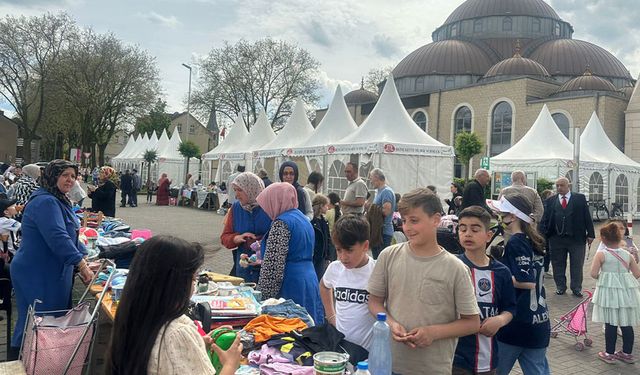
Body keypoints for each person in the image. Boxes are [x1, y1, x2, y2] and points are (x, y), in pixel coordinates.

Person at [367, 188, 480, 375]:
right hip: (389, 363)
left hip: (433, 368)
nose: (407, 227)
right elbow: (374, 301)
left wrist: (433, 333)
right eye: (404, 221)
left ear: (436, 219)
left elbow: (472, 323)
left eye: (414, 220)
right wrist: (390, 323)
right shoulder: (389, 256)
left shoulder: (456, 268)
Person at [106, 236, 243, 374]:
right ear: (175, 285)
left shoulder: (133, 316)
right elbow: (172, 342)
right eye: (193, 278)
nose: (194, 284)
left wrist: (198, 344)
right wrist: (230, 364)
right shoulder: (177, 332)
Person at [10, 160, 94, 358]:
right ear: (52, 175)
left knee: (50, 323)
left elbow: (70, 235)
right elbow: (57, 237)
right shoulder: (45, 201)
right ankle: (18, 361)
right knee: (35, 321)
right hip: (37, 271)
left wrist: (84, 257)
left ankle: (44, 361)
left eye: (73, 176)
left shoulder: (59, 199)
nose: (70, 180)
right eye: (65, 175)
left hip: (52, 270)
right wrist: (81, 264)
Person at [486, 195, 550, 375]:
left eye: (502, 213)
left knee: (497, 370)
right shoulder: (533, 239)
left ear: (512, 216)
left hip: (517, 322)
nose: (500, 217)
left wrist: (499, 273)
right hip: (539, 320)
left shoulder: (516, 241)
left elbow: (527, 282)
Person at [453, 206, 517, 375]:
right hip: (455, 357)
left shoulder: (502, 272)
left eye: (475, 229)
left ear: (488, 235)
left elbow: (510, 308)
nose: (467, 234)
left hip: (489, 359)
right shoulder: (452, 267)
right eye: (462, 228)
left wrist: (500, 320)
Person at [256, 182, 324, 324]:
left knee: (292, 330)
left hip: (291, 282)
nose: (266, 210)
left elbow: (273, 267)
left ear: (275, 201)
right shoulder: (302, 219)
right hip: (308, 278)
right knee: (309, 324)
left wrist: (263, 299)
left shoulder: (281, 223)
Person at [320, 214, 376, 351]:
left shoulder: (377, 270)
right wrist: (331, 316)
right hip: (341, 346)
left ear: (365, 246)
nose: (343, 257)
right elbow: (324, 285)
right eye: (339, 250)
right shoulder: (335, 268)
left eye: (349, 250)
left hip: (368, 350)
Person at [590, 222, 640, 365]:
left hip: (609, 294)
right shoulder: (627, 254)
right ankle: (627, 353)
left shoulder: (601, 254)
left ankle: (609, 353)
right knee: (626, 323)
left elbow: (593, 274)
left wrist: (606, 278)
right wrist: (623, 279)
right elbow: (637, 273)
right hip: (626, 293)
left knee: (610, 323)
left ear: (604, 238)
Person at [540, 177, 595, 297]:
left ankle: (576, 288)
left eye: (562, 185)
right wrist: (544, 235)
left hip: (576, 238)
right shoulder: (551, 201)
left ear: (568, 186)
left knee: (577, 264)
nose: (559, 188)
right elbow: (545, 219)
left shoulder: (579, 198)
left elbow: (587, 216)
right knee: (557, 264)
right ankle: (560, 286)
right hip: (556, 238)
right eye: (557, 185)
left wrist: (591, 234)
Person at [220, 172, 271, 283]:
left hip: (266, 269)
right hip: (243, 268)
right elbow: (224, 237)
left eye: (240, 190)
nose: (236, 195)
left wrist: (261, 241)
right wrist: (236, 238)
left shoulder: (270, 207)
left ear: (251, 189)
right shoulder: (236, 208)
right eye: (235, 190)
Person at [369, 168, 396, 259]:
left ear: (377, 177)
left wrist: (371, 208)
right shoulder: (380, 192)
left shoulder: (386, 192)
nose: (370, 181)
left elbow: (387, 211)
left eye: (371, 178)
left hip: (383, 233)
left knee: (381, 261)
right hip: (379, 232)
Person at [311, 194, 333, 280]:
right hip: (315, 254)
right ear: (321, 206)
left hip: (322, 255)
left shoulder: (324, 221)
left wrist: (327, 256)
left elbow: (327, 239)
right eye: (326, 206)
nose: (328, 208)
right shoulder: (312, 221)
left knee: (320, 277)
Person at [539, 189, 554, 275]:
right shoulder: (548, 205)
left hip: (541, 229)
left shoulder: (542, 204)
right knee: (547, 249)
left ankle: (545, 268)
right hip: (545, 230)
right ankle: (546, 268)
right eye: (552, 194)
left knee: (544, 249)